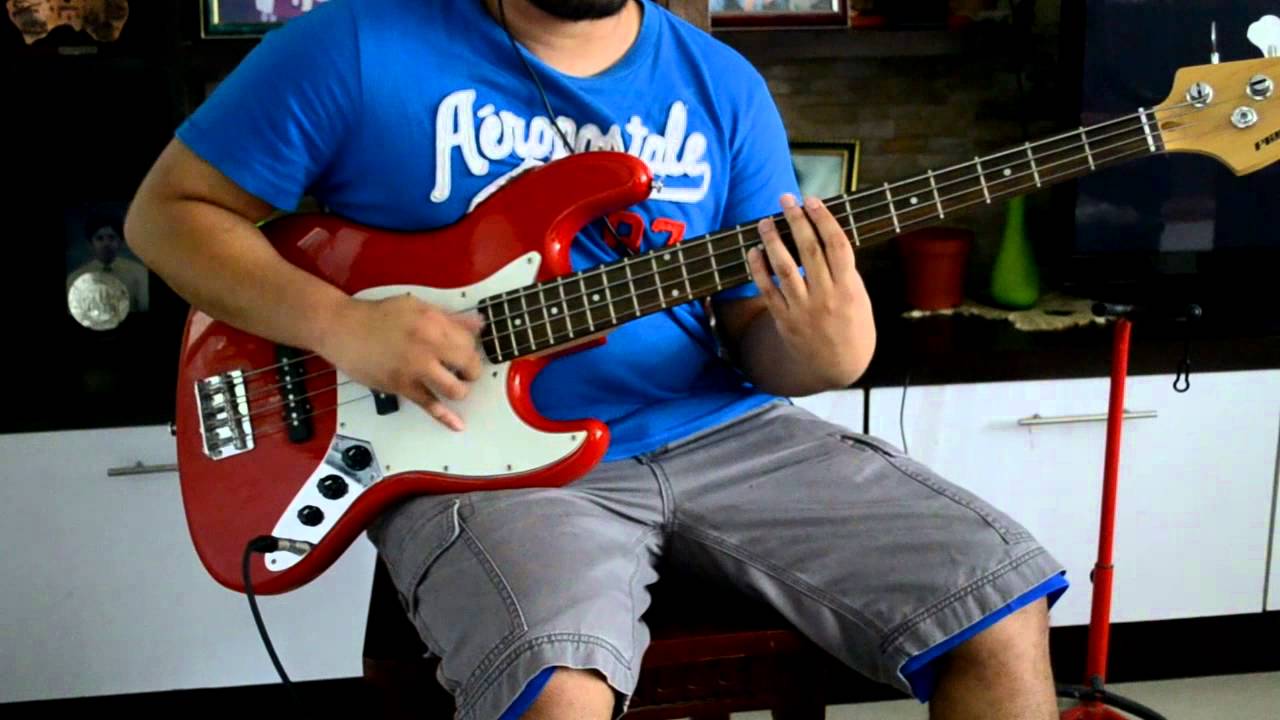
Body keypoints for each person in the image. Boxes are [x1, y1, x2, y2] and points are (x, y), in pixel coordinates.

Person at [123, 1, 1069, 718]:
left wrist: (817, 350)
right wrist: (342, 326)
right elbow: (167, 217)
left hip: (719, 429)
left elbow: (751, 332)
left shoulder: (722, 83)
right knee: (560, 693)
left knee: (998, 600)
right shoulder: (355, 42)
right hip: (474, 458)